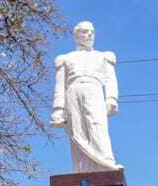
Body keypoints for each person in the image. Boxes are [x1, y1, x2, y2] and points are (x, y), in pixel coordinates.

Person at [50, 21, 121, 172]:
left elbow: (111, 79)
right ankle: (80, 168)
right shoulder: (66, 58)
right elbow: (60, 85)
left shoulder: (103, 56)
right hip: (73, 91)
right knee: (77, 130)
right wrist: (58, 109)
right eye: (85, 32)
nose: (89, 35)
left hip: (94, 90)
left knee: (97, 125)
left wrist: (111, 98)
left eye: (91, 32)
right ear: (76, 35)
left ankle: (106, 161)